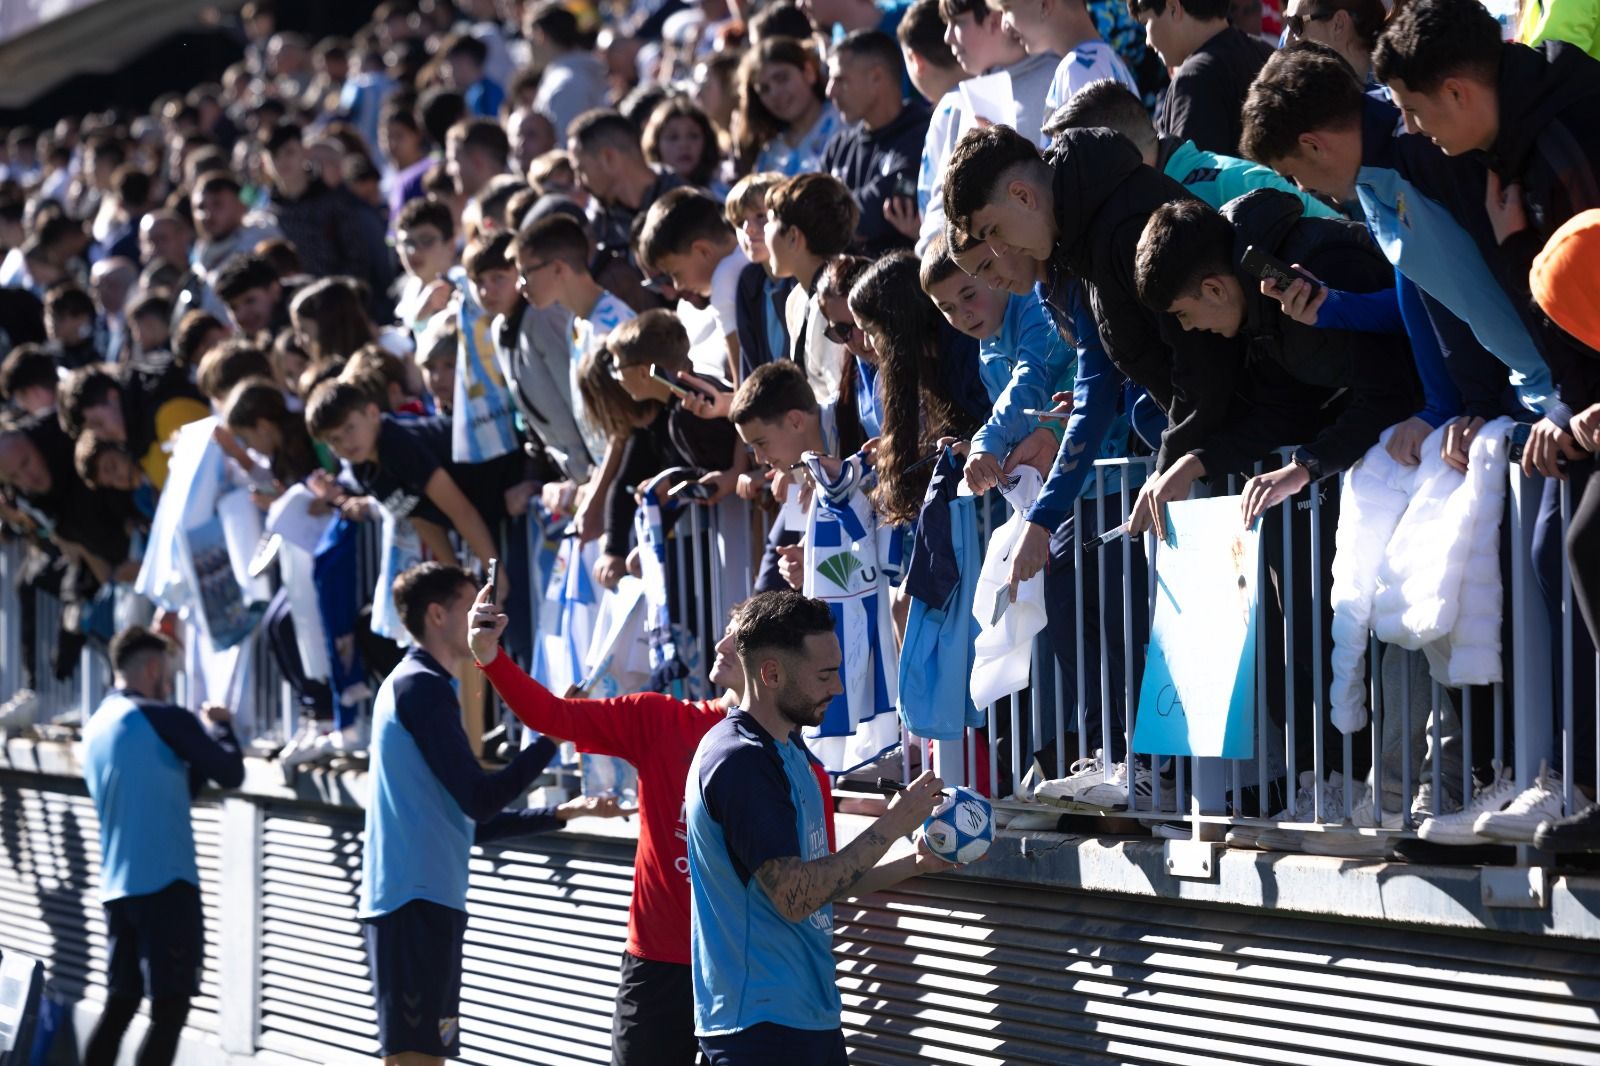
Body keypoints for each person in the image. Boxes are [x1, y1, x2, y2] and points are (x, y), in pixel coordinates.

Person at [470, 590, 837, 1065]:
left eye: (737, 633)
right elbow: (551, 717)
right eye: (725, 632)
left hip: (748, 985)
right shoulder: (658, 718)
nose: (723, 644)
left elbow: (816, 884)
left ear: (768, 663)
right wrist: (490, 657)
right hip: (660, 964)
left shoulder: (802, 769)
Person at [358, 563, 624, 1064]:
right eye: (469, 603)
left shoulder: (421, 683)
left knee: (420, 1058)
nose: (485, 611)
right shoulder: (422, 686)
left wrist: (567, 811)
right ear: (438, 615)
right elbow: (480, 799)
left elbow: (471, 824)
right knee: (416, 1060)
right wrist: (552, 734)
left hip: (419, 900)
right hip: (413, 903)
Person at [686, 590, 951, 1065]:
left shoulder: (788, 749)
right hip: (759, 1029)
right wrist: (892, 824)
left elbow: (822, 880)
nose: (839, 689)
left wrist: (914, 861)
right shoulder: (740, 761)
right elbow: (796, 896)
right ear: (771, 674)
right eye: (825, 675)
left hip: (804, 1018)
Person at [941, 123, 1246, 534]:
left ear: (1022, 195)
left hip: (1251, 439)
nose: (1000, 250)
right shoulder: (1083, 237)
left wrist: (1170, 461)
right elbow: (1108, 376)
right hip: (1224, 446)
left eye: (993, 231)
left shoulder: (1120, 227)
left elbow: (1198, 355)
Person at [1132, 193, 1419, 525]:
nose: (1188, 327)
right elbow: (1284, 410)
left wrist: (1304, 467)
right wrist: (1196, 462)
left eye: (1182, 313)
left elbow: (1392, 392)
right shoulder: (1258, 306)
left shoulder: (1325, 265)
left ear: (1214, 290)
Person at [80, 625, 245, 1066]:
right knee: (169, 1010)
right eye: (168, 673)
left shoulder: (96, 726)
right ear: (153, 668)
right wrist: (223, 729)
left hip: (117, 889)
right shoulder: (165, 718)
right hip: (167, 886)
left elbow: (173, 786)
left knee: (120, 1005)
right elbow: (230, 773)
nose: (170, 684)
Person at [1050, 78, 1343, 220]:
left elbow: (1348, 240)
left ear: (1112, 153)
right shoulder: (1153, 195)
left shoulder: (1231, 183)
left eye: (1074, 162)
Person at [920, 232, 1072, 495]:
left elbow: (1032, 380)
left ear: (992, 274)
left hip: (1111, 476)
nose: (963, 314)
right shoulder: (987, 352)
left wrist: (988, 441)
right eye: (947, 308)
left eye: (968, 295)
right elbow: (1020, 428)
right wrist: (976, 452)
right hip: (1069, 487)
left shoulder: (1036, 306)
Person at [304, 380, 503, 580]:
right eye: (334, 439)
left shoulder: (397, 445)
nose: (345, 443)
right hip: (486, 520)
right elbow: (420, 515)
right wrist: (456, 582)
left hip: (504, 488)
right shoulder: (361, 467)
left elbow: (462, 511)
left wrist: (496, 579)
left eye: (349, 428)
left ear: (372, 413)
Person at [260, 123, 395, 319]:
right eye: (275, 155)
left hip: (340, 309)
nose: (282, 161)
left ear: (305, 152)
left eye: (289, 152)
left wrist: (336, 298)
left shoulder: (335, 204)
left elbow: (357, 260)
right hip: (291, 314)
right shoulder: (266, 217)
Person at [822, 31, 933, 256]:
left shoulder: (924, 135)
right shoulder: (839, 147)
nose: (830, 91)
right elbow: (809, 215)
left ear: (877, 77)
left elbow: (871, 216)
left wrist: (834, 218)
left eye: (840, 79)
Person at [1127, 0, 1273, 155]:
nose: (1147, 42)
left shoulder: (1195, 79)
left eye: (1146, 22)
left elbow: (1189, 174)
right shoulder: (1265, 52)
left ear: (1173, 8)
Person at [764, 173, 862, 403]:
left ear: (792, 237)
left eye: (769, 221)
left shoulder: (836, 304)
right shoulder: (796, 299)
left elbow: (842, 396)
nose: (763, 232)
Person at [640, 187, 751, 380]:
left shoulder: (724, 278)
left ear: (703, 251)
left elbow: (742, 383)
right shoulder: (750, 255)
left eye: (676, 274)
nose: (677, 286)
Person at [568, 109, 687, 267]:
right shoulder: (597, 227)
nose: (579, 183)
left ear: (607, 158)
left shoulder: (686, 202)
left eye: (581, 170)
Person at [897, 0, 971, 255]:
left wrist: (928, 248)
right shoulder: (984, 93)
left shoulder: (952, 108)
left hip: (950, 259)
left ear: (915, 60)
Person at [939, 0, 1060, 147]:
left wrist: (1008, 149)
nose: (947, 37)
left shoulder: (1058, 78)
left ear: (995, 19)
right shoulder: (961, 100)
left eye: (957, 22)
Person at [994, 0, 1137, 113]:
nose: (1004, 26)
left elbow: (1092, 150)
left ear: (1044, 5)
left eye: (1008, 8)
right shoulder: (1104, 60)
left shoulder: (1079, 68)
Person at [737, 36, 846, 177]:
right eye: (764, 89)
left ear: (808, 72)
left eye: (782, 78)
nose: (775, 93)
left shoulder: (844, 122)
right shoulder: (769, 154)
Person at [725, 172, 795, 379]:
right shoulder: (748, 280)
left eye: (760, 216)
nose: (748, 230)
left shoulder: (802, 275)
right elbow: (750, 370)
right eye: (739, 222)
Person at [525, 1, 610, 141]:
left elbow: (566, 145)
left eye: (529, 38)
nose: (527, 46)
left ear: (540, 35)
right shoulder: (572, 75)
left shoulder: (565, 84)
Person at [1281, 0, 1387, 86]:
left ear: (1338, 24)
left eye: (1295, 24)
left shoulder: (1397, 97)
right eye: (1287, 25)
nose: (1287, 41)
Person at [212, 252, 288, 339]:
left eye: (250, 301)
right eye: (233, 307)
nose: (242, 315)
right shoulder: (240, 346)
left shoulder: (303, 325)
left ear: (274, 290)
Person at [445, 117, 512, 201]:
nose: (449, 171)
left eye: (453, 160)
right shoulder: (475, 208)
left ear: (477, 161)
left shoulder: (516, 208)